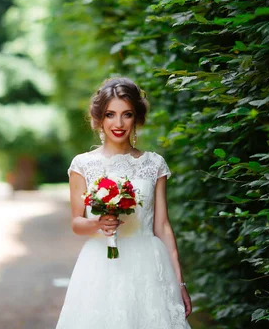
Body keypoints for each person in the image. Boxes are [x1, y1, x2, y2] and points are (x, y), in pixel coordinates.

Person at [56, 77, 192, 329]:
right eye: (110, 114)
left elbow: (162, 226)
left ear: (136, 118)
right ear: (99, 118)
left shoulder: (154, 164)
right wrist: (99, 222)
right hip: (101, 267)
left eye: (126, 114)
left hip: (148, 267)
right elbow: (76, 223)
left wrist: (179, 283)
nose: (118, 124)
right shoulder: (83, 165)